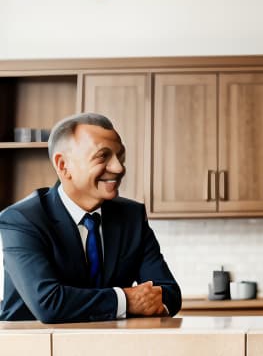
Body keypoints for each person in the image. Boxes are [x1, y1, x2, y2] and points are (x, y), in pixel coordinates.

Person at [0, 113, 181, 323]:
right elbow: (49, 303)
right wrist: (126, 300)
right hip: (38, 348)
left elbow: (169, 292)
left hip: (109, 344)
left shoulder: (132, 216)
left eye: (119, 157)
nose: (119, 168)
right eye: (103, 157)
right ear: (63, 165)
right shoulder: (21, 220)